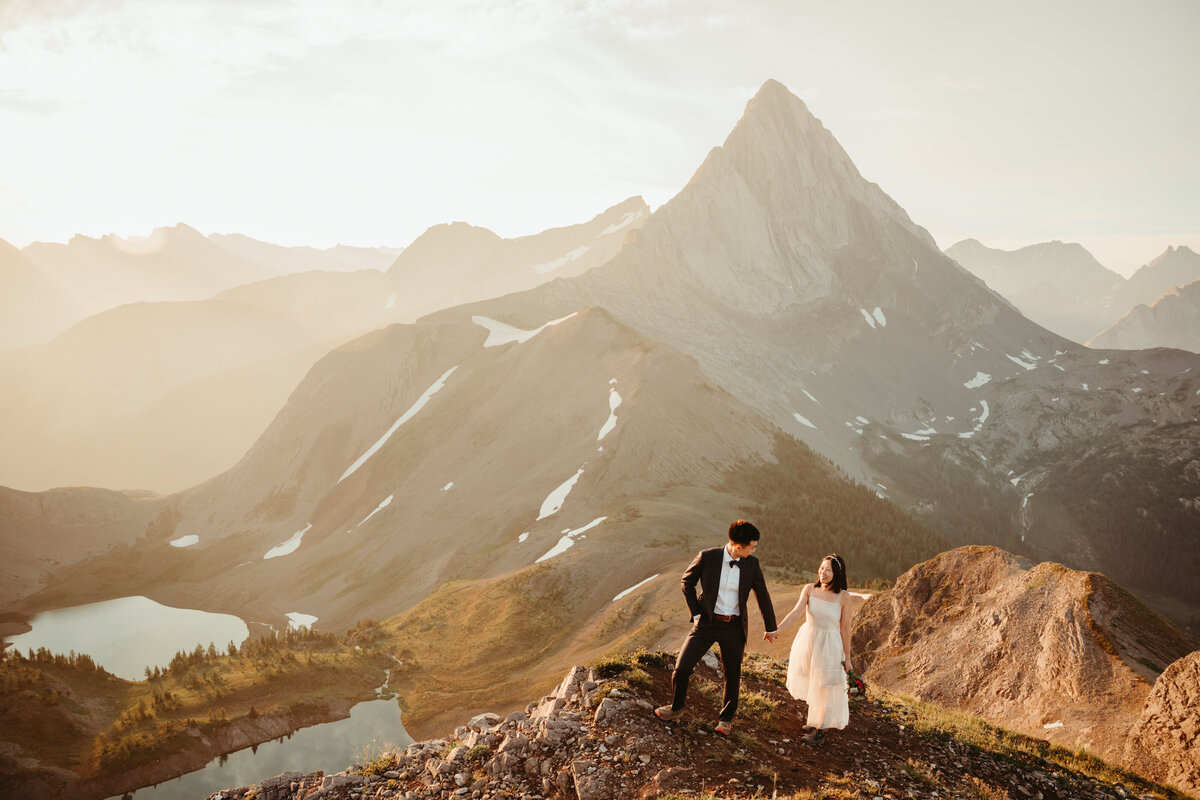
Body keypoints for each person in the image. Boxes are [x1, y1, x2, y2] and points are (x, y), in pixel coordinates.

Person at [655, 520, 778, 736]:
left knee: (732, 674)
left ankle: (725, 720)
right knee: (682, 669)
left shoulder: (752, 564)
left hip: (734, 627)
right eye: (752, 546)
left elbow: (763, 595)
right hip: (706, 624)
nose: (754, 549)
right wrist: (696, 614)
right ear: (739, 546)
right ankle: (676, 708)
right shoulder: (708, 557)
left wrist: (771, 627)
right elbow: (687, 582)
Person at [774, 553, 852, 745]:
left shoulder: (843, 597)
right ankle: (816, 720)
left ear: (837, 574)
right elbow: (795, 612)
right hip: (809, 640)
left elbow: (845, 627)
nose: (823, 572)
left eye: (828, 570)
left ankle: (821, 731)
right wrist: (776, 630)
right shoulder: (809, 589)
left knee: (825, 685)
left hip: (830, 645)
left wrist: (847, 657)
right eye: (822, 568)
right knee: (813, 682)